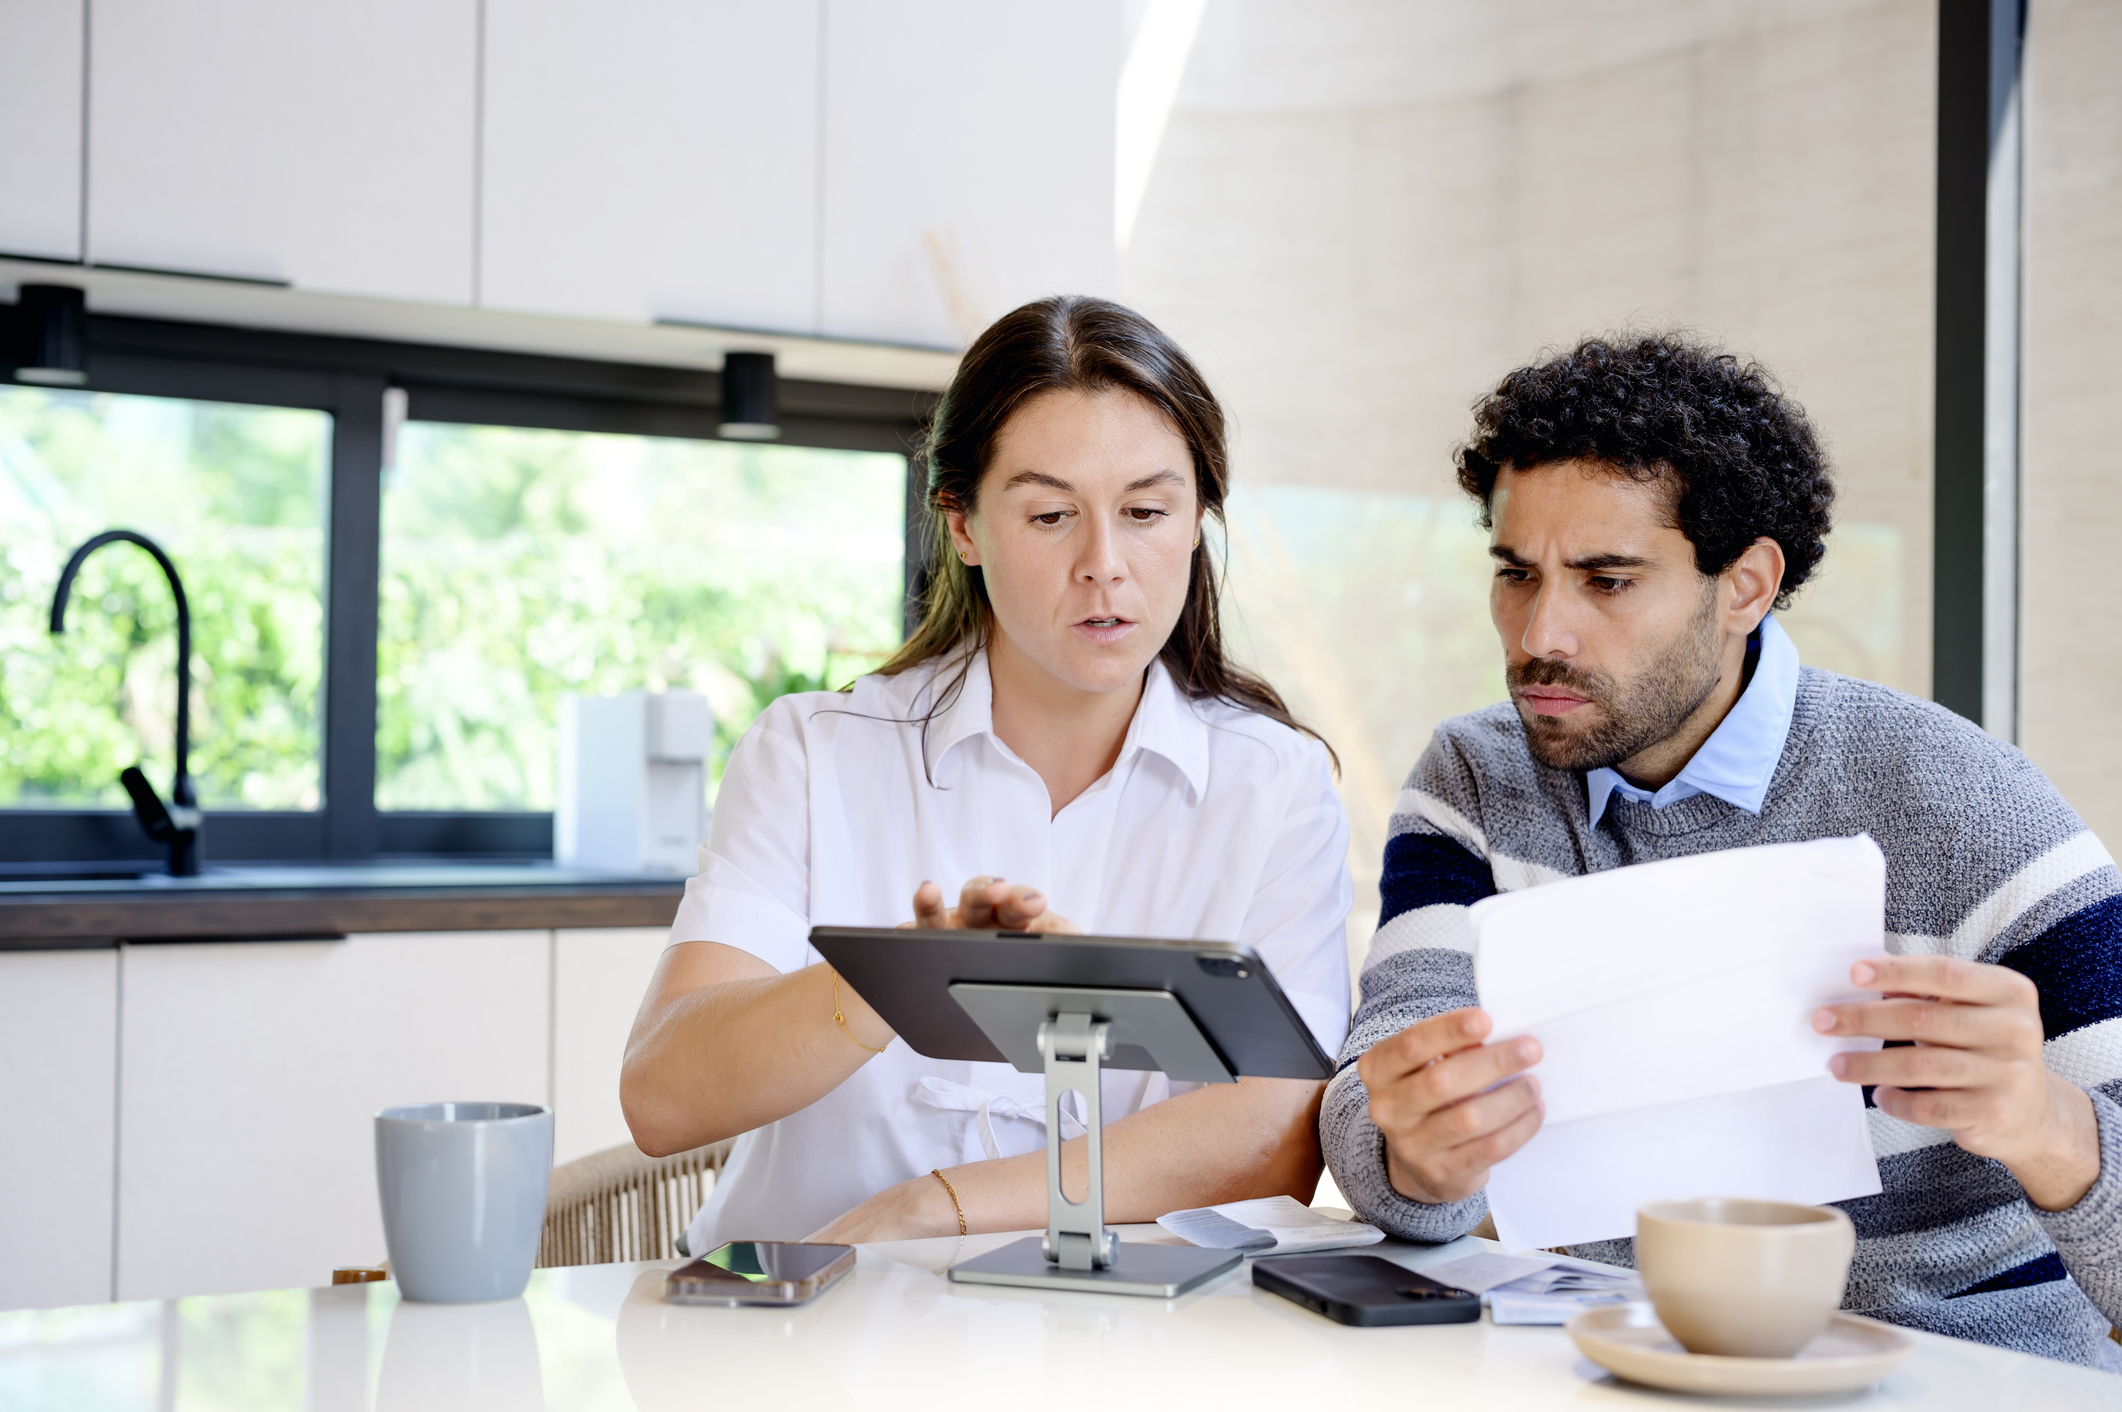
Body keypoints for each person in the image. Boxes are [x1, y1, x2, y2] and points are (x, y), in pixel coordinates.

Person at [1324, 334, 2122, 1369]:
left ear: (1745, 585)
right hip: (1615, 1366)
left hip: (1950, 1375)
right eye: (1517, 574)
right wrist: (1412, 1155)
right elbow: (1371, 1114)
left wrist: (2051, 1125)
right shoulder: (1479, 776)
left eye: (1606, 580)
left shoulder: (1966, 804)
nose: (1540, 633)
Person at [624, 295, 1353, 1255]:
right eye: (1051, 514)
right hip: (793, 1336)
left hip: (1107, 1350)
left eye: (1145, 511)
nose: (1105, 565)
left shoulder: (1275, 785)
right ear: (962, 524)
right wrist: (892, 982)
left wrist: (942, 1206)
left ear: (1198, 520)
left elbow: (1279, 1132)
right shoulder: (812, 751)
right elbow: (663, 1099)